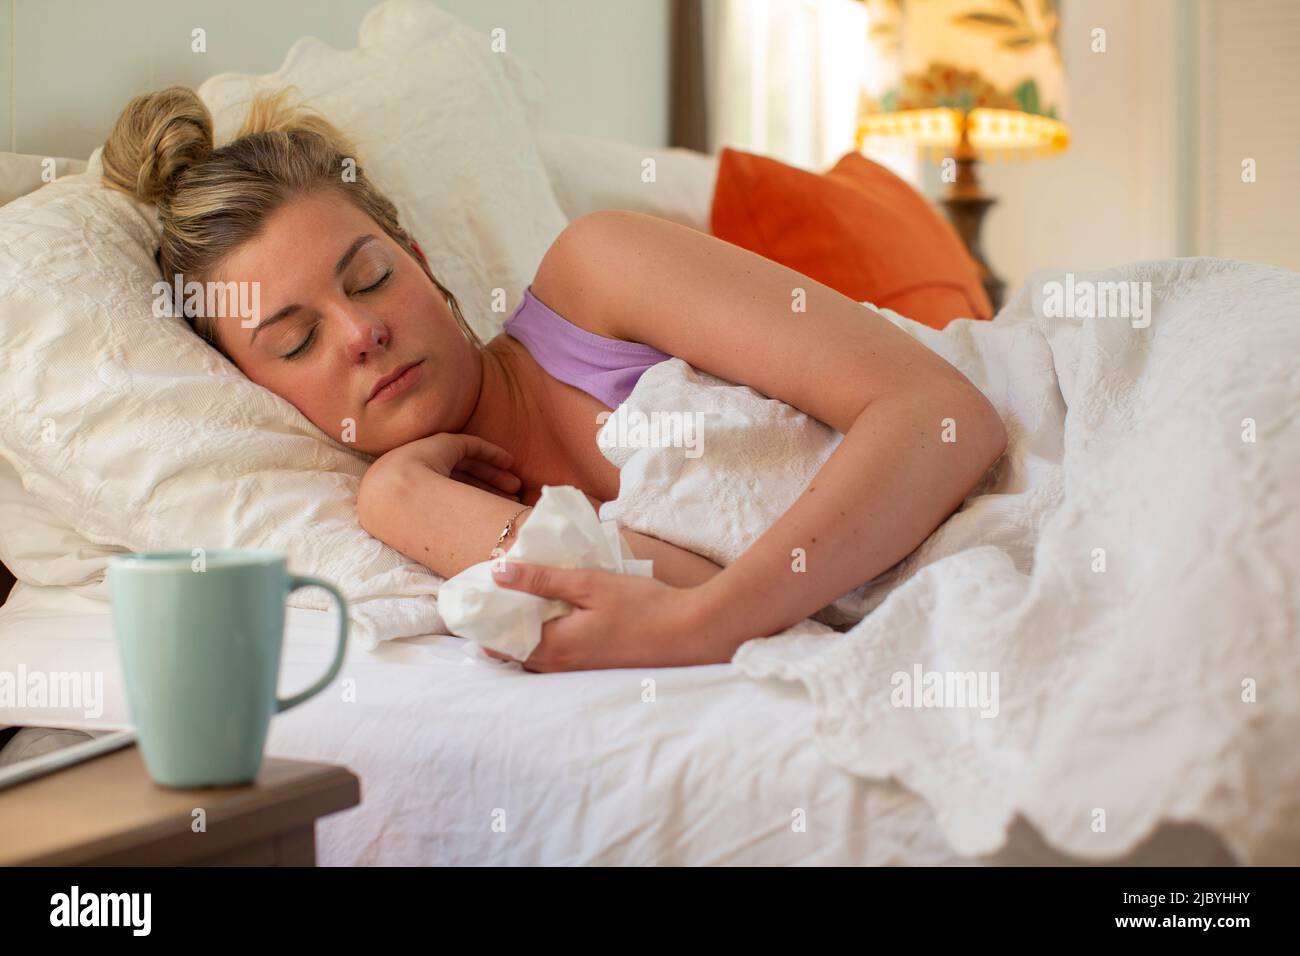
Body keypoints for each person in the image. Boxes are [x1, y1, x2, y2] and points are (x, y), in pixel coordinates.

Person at [101, 86, 1007, 672]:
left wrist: (706, 626)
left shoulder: (598, 277)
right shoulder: (416, 508)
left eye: (371, 277)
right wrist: (401, 499)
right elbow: (752, 599)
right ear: (265, 398)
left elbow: (942, 411)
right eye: (296, 341)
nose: (362, 332)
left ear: (421, 263)